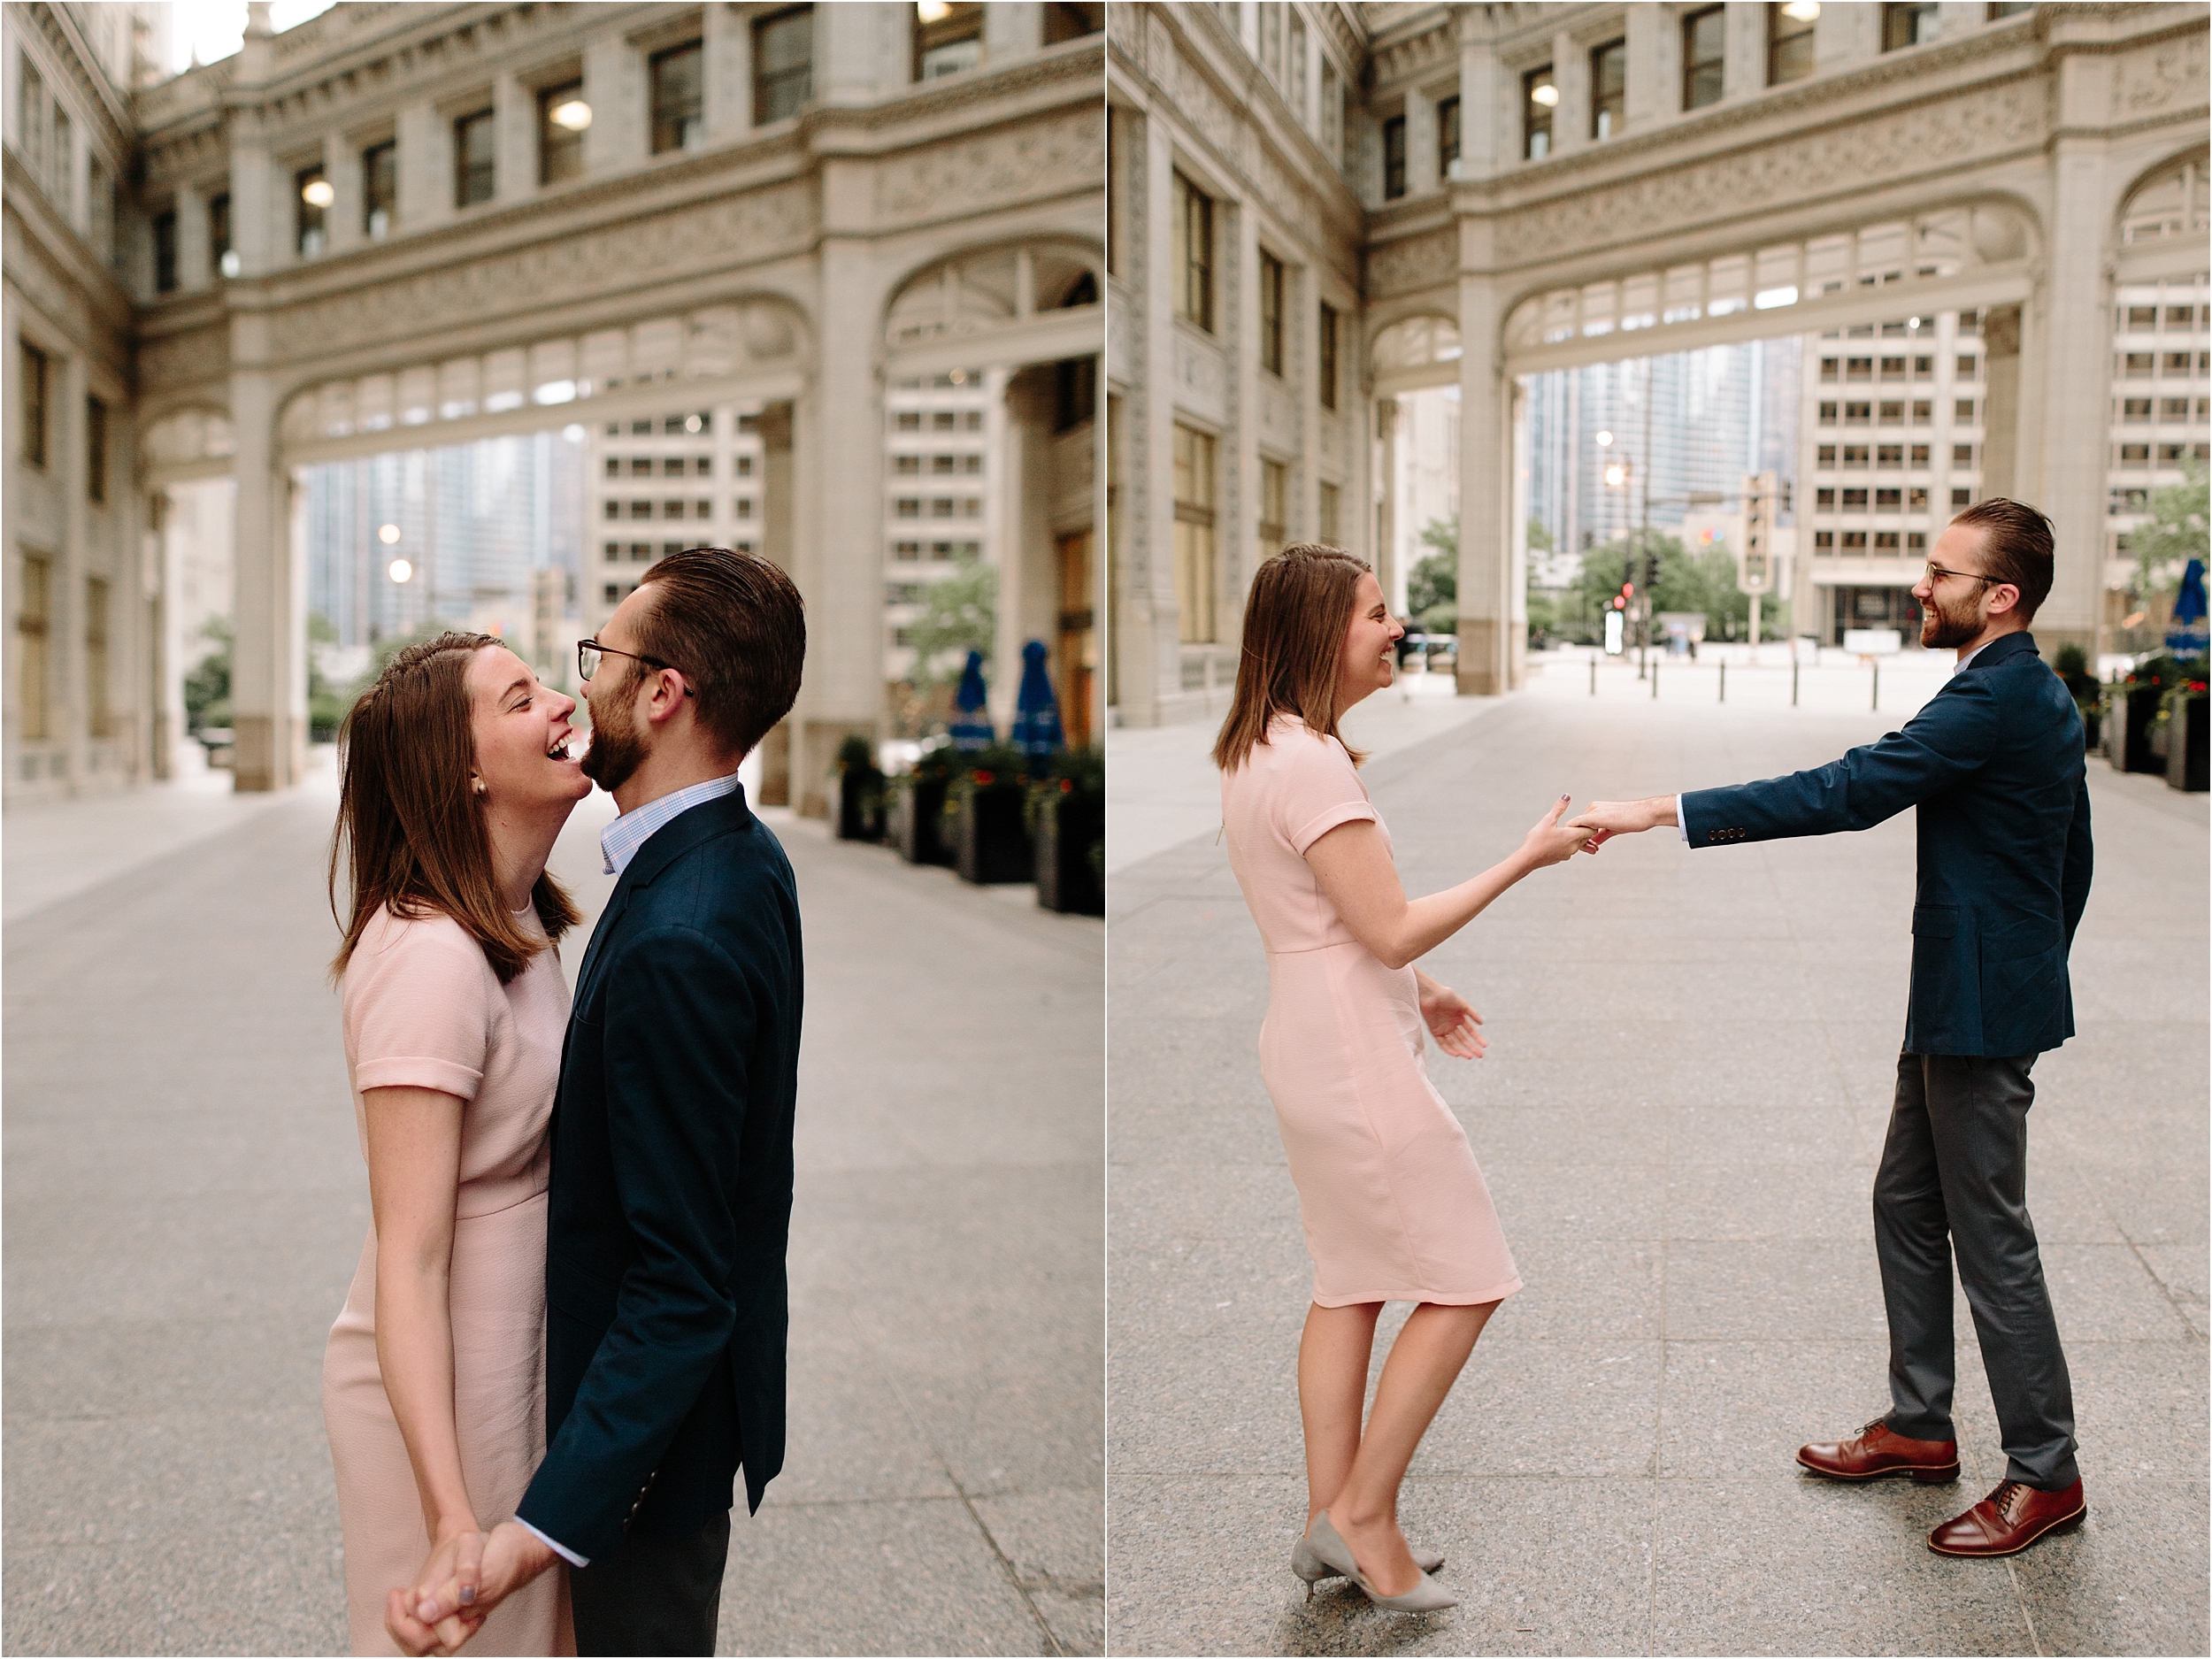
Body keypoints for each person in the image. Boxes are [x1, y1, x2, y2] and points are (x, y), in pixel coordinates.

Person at [1571, 498, 2093, 1559]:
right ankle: (1918, 1423)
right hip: (1974, 989)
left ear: (1999, 597)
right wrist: (2031, 962)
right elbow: (2070, 859)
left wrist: (1660, 808)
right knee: (1906, 1200)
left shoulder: (1995, 697)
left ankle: (2046, 1473)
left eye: (1940, 574)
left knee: (1992, 1238)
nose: (1920, 586)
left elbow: (1850, 788)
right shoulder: (2019, 690)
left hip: (1982, 1004)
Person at [390, 546, 808, 1656]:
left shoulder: (683, 930)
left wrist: (539, 1529)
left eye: (601, 660)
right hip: (647, 1425)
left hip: (641, 1449)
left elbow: (681, 1281)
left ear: (664, 692)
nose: (582, 690)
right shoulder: (734, 857)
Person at [1213, 544, 1599, 1613]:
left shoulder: (1259, 751)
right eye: (1377, 614)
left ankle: (1323, 1518)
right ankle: (1363, 1518)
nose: (1397, 628)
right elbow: (1381, 926)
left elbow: (1327, 916)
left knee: (1347, 1282)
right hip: (1346, 1053)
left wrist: (1422, 987)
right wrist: (1526, 858)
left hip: (1307, 1032)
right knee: (1469, 1275)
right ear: (1316, 635)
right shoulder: (1312, 766)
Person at [324, 631, 593, 1655]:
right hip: (446, 1385)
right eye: (521, 699)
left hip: (513, 1349)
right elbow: (411, 1253)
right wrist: (449, 1513)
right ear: (465, 770)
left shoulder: (515, 920)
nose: (564, 705)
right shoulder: (429, 958)